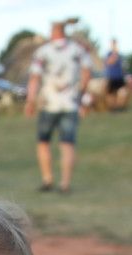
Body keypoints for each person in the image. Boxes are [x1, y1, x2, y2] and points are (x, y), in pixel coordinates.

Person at [24, 19, 92, 195]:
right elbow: (87, 73)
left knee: (43, 142)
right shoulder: (78, 49)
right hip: (71, 103)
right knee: (67, 144)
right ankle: (65, 183)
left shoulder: (43, 52)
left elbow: (35, 77)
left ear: (53, 32)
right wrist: (81, 94)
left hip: (49, 104)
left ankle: (47, 180)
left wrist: (30, 101)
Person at [104, 39, 127, 109]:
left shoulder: (119, 55)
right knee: (111, 93)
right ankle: (111, 107)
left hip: (119, 76)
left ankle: (120, 106)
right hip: (112, 77)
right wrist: (114, 53)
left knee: (122, 92)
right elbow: (111, 62)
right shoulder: (109, 54)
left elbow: (122, 66)